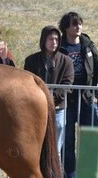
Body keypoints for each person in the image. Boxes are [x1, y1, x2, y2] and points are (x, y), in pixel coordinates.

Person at [57, 11, 98, 178]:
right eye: (74, 24)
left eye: (80, 23)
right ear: (66, 27)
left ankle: (88, 177)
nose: (78, 27)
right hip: (66, 100)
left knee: (90, 139)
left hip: (87, 99)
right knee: (67, 140)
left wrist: (97, 93)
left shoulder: (87, 44)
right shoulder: (60, 46)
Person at [24, 25, 74, 159]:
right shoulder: (31, 60)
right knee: (36, 147)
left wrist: (50, 99)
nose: (54, 42)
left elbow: (67, 85)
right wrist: (41, 100)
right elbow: (28, 83)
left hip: (58, 109)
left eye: (57, 39)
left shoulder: (66, 61)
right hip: (36, 109)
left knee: (55, 149)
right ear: (43, 40)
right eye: (51, 39)